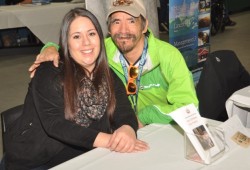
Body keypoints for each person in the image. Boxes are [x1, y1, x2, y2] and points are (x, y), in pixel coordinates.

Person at [3, 7, 148, 170]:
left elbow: (124, 110)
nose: (86, 42)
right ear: (67, 43)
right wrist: (110, 140)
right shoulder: (49, 72)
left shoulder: (107, 74)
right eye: (77, 36)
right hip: (38, 161)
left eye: (91, 34)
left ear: (100, 38)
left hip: (85, 157)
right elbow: (55, 125)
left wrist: (127, 128)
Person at [29, 0, 198, 129]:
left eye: (131, 21)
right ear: (109, 28)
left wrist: (145, 116)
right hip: (119, 130)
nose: (123, 30)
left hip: (162, 129)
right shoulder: (103, 49)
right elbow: (75, 48)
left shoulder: (168, 56)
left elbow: (188, 107)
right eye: (116, 21)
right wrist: (50, 47)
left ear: (145, 25)